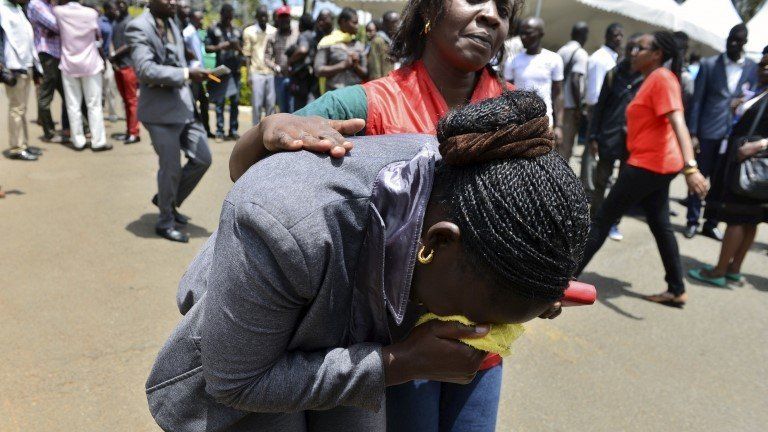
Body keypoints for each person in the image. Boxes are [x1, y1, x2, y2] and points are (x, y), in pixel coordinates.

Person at [145, 89, 589, 432]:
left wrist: (533, 293)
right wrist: (402, 363)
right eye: (473, 314)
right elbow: (237, 382)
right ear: (435, 242)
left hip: (340, 361)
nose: (476, 328)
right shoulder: (286, 223)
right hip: (239, 389)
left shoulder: (466, 198)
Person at [227, 0, 531, 429]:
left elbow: (534, 222)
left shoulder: (518, 114)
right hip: (393, 349)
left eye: (502, 7)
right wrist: (264, 131)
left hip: (483, 345)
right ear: (428, 11)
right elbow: (249, 175)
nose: (490, 15)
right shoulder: (363, 105)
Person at [577, 31, 709, 308]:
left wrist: (691, 168)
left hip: (648, 165)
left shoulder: (661, 78)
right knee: (660, 224)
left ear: (657, 54)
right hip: (656, 165)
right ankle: (676, 288)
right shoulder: (652, 79)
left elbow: (678, 123)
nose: (633, 51)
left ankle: (560, 283)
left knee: (601, 219)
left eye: (640, 48)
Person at [126, 0, 212, 242]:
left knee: (203, 158)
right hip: (159, 112)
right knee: (171, 168)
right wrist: (185, 74)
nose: (175, 2)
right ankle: (165, 222)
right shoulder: (138, 26)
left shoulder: (172, 21)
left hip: (183, 106)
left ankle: (168, 200)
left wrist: (192, 66)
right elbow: (145, 70)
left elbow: (177, 59)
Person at [688, 51, 768, 287]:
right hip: (747, 163)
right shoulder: (760, 91)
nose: (762, 69)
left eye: (767, 66)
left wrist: (758, 145)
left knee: (736, 218)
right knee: (750, 220)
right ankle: (733, 269)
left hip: (750, 164)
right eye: (761, 65)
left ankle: (720, 271)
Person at [685, 24, 758, 241]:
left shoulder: (752, 68)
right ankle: (692, 220)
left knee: (722, 181)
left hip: (734, 136)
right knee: (699, 177)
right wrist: (693, 133)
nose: (732, 43)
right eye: (730, 38)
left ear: (744, 43)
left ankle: (711, 222)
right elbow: (697, 101)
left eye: (737, 40)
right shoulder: (709, 65)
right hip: (708, 132)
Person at [587, 34, 644, 241]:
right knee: (601, 181)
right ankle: (595, 220)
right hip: (608, 137)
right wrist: (593, 136)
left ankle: (613, 223)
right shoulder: (613, 75)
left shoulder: (645, 78)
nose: (633, 53)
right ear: (624, 51)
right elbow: (599, 107)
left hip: (632, 142)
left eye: (638, 49)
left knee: (623, 185)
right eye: (630, 49)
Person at [54, 0, 111, 151]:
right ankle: (98, 141)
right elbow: (101, 33)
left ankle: (78, 141)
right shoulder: (91, 13)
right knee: (94, 105)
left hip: (69, 65)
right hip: (90, 64)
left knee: (73, 105)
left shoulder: (59, 12)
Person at [504, 17, 564, 134]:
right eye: (521, 33)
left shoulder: (553, 59)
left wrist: (559, 125)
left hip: (544, 121)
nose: (523, 37)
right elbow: (507, 92)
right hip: (518, 123)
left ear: (541, 34)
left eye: (528, 33)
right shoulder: (512, 61)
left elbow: (558, 94)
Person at [582, 23, 623, 193]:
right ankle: (588, 185)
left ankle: (592, 182)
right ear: (607, 36)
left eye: (621, 35)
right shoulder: (601, 58)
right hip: (598, 108)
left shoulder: (611, 56)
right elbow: (596, 90)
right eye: (615, 35)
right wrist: (597, 111)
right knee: (592, 144)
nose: (619, 38)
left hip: (604, 108)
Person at [1, 0, 43, 161]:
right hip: (13, 67)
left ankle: (24, 144)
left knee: (22, 108)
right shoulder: (2, 8)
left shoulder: (18, 9)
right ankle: (16, 148)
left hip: (26, 65)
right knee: (16, 109)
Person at [27, 0, 70, 143]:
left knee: (68, 93)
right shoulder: (36, 4)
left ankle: (71, 128)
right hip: (47, 55)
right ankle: (49, 132)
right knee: (46, 95)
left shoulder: (51, 5)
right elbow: (57, 25)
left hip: (58, 55)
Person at [205, 3, 243, 142]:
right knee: (220, 102)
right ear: (221, 15)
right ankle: (220, 131)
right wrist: (223, 46)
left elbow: (244, 51)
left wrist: (237, 46)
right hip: (221, 71)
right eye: (226, 16)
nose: (228, 19)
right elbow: (207, 48)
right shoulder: (213, 29)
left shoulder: (237, 31)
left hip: (235, 71)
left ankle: (233, 130)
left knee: (235, 102)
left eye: (230, 16)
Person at [555, 21, 588, 161]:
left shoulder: (561, 50)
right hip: (569, 107)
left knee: (555, 145)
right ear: (585, 36)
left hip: (558, 106)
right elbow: (575, 80)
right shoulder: (581, 54)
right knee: (565, 147)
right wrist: (578, 107)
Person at [314, 7, 367, 93]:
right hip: (334, 96)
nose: (357, 26)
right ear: (343, 22)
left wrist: (356, 66)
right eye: (354, 23)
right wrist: (343, 65)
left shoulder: (359, 46)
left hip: (354, 97)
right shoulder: (328, 42)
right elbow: (318, 70)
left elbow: (365, 74)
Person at [108, 0, 140, 144]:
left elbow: (131, 43)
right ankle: (129, 130)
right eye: (118, 3)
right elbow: (112, 41)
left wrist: (114, 54)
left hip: (128, 66)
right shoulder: (116, 21)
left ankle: (134, 132)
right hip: (118, 66)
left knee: (132, 100)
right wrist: (113, 59)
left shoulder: (131, 22)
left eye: (123, 3)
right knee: (125, 101)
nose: (120, 6)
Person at [287, 10, 332, 111]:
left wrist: (290, 61)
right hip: (313, 78)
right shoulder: (315, 36)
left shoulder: (304, 35)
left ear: (301, 24)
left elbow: (303, 50)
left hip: (301, 78)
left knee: (298, 110)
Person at [243, 5, 276, 125]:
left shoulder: (273, 31)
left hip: (270, 72)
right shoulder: (249, 31)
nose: (263, 18)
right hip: (256, 71)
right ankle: (255, 132)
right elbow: (247, 55)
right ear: (256, 16)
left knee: (271, 105)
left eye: (265, 16)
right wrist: (248, 75)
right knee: (256, 105)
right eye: (261, 16)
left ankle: (269, 132)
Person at [267, 5, 298, 114]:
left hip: (294, 77)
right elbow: (266, 57)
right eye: (282, 17)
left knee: (294, 109)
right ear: (278, 19)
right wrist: (276, 67)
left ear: (290, 18)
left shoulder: (297, 34)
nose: (284, 19)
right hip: (279, 77)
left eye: (286, 16)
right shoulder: (272, 37)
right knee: (282, 110)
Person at [100, 0, 122, 124]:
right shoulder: (100, 23)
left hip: (112, 59)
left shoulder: (114, 22)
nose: (116, 11)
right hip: (103, 60)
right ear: (106, 10)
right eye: (113, 9)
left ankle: (112, 114)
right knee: (103, 89)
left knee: (111, 89)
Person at [367, 11, 399, 81]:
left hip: (391, 83)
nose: (397, 25)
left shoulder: (391, 40)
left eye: (398, 22)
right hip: (382, 86)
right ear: (386, 24)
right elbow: (375, 69)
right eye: (394, 22)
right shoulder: (378, 41)